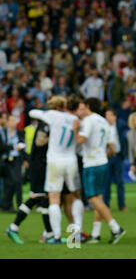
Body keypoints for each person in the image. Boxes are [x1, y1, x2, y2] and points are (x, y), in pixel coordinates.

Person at [28, 96, 84, 244]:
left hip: (54, 161)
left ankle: (56, 236)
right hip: (71, 161)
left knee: (54, 199)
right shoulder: (75, 119)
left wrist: (45, 113)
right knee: (75, 197)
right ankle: (75, 235)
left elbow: (32, 113)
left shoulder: (52, 116)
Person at [73, 97, 126, 244]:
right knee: (99, 199)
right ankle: (95, 235)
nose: (81, 111)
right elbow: (112, 147)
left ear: (88, 106)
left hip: (92, 164)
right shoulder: (103, 121)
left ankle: (116, 228)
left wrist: (76, 130)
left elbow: (80, 140)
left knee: (92, 199)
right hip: (103, 162)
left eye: (83, 107)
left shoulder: (89, 121)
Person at [6, 118, 53, 244]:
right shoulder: (45, 125)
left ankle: (14, 228)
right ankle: (49, 234)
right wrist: (55, 137)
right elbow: (39, 142)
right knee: (43, 197)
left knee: (39, 198)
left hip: (46, 165)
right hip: (39, 167)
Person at [103, 109, 128, 212]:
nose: (107, 117)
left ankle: (122, 205)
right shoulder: (102, 127)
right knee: (106, 183)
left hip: (118, 156)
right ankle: (106, 205)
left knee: (120, 183)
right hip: (106, 157)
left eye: (109, 115)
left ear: (115, 117)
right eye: (106, 115)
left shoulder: (120, 125)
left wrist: (123, 154)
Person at [2, 114, 27, 213]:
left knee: (17, 181)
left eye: (15, 120)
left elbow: (24, 146)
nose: (14, 122)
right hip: (5, 160)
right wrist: (12, 146)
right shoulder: (3, 132)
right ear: (7, 122)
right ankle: (7, 205)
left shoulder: (20, 132)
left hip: (17, 159)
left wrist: (25, 159)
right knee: (8, 183)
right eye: (12, 120)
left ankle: (19, 204)